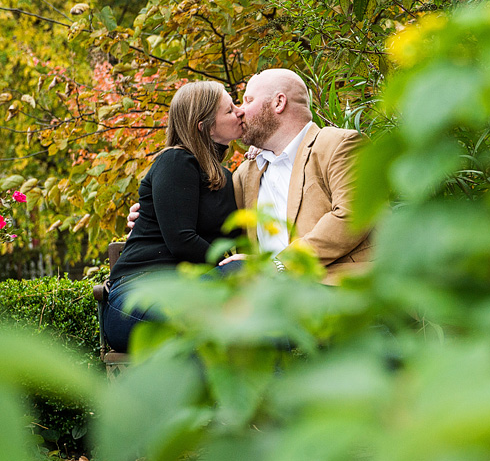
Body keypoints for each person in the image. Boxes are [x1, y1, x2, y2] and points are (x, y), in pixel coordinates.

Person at [129, 69, 372, 283]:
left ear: (278, 103)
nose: (240, 111)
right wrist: (149, 215)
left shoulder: (339, 144)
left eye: (248, 100)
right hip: (262, 296)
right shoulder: (245, 174)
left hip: (331, 286)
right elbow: (200, 214)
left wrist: (278, 264)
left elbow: (353, 216)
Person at [103, 81, 245, 352]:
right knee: (242, 274)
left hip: (187, 292)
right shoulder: (177, 161)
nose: (240, 112)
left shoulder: (224, 177)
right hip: (137, 300)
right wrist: (228, 262)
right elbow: (181, 239)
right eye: (230, 110)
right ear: (205, 126)